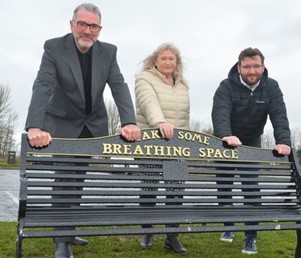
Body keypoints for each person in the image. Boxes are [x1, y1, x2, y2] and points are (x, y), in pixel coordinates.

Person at [25, 3, 141, 258]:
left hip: (92, 123)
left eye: (93, 26)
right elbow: (43, 83)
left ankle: (69, 228)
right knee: (65, 180)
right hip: (63, 123)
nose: (87, 30)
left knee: (79, 180)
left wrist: (129, 121)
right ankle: (61, 240)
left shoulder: (108, 52)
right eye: (82, 24)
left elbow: (119, 85)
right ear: (72, 24)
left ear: (100, 29)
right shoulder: (54, 47)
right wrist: (35, 125)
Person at [211, 47, 291, 255]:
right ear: (239, 68)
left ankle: (250, 236)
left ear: (263, 67)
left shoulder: (272, 87)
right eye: (247, 67)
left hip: (251, 142)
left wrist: (283, 141)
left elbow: (279, 115)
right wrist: (225, 135)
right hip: (225, 142)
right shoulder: (226, 86)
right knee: (224, 186)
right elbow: (220, 112)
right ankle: (228, 225)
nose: (252, 71)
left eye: (256, 66)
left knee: (251, 187)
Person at [134, 43, 190, 254]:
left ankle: (172, 236)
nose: (167, 62)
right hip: (150, 144)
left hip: (177, 148)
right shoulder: (144, 79)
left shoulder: (183, 85)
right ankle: (147, 229)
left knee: (176, 192)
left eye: (171, 59)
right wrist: (159, 122)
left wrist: (188, 144)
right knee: (150, 188)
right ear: (155, 61)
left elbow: (186, 118)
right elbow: (148, 102)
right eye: (163, 58)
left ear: (177, 63)